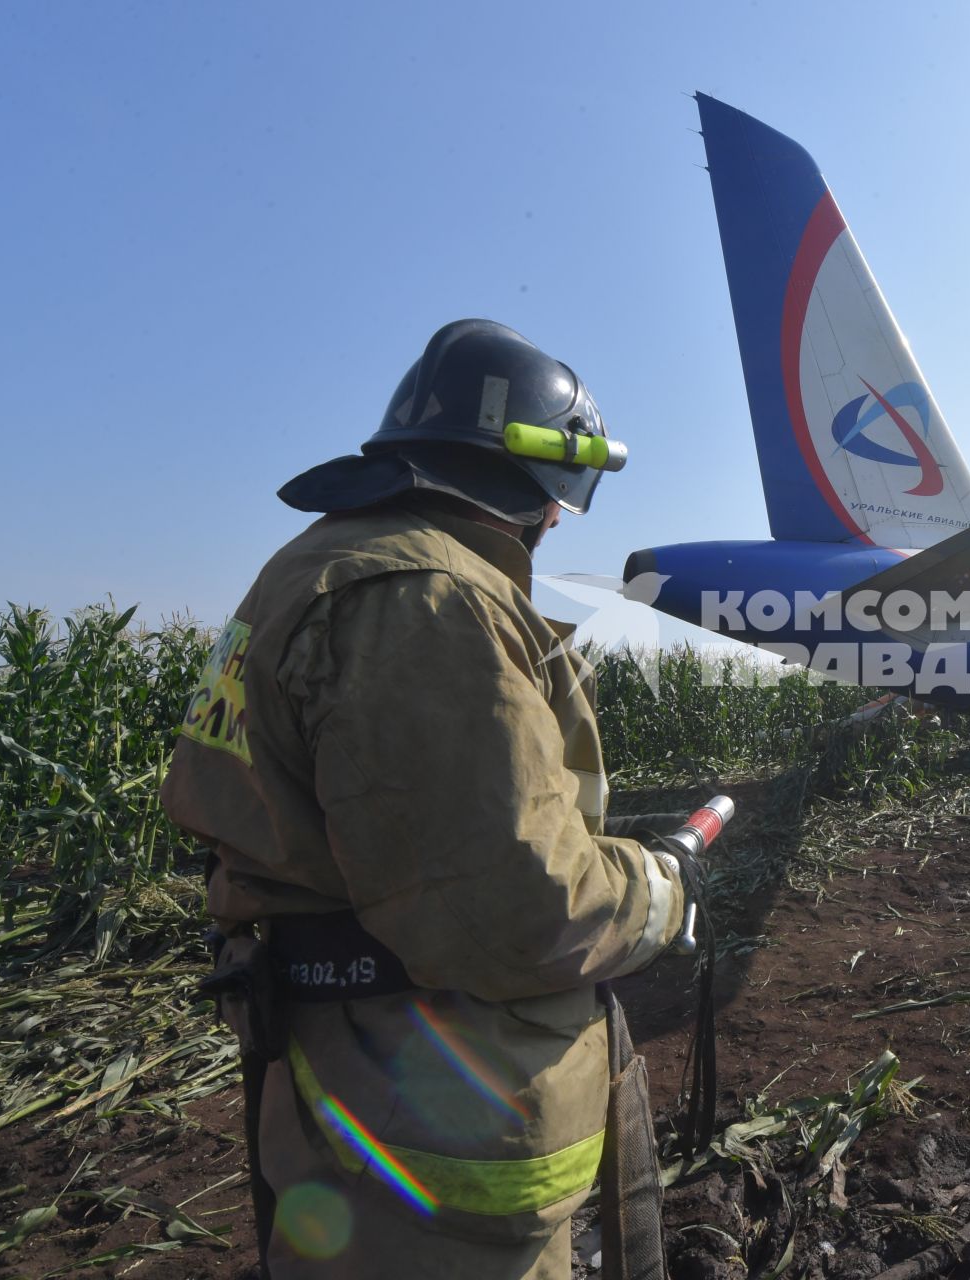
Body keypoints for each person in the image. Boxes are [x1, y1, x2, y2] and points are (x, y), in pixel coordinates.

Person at [162, 320, 689, 1278]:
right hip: (431, 1117)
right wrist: (660, 889)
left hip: (332, 1067)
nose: (561, 521)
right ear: (526, 478)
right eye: (560, 495)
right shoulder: (427, 599)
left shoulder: (312, 565)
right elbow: (515, 908)